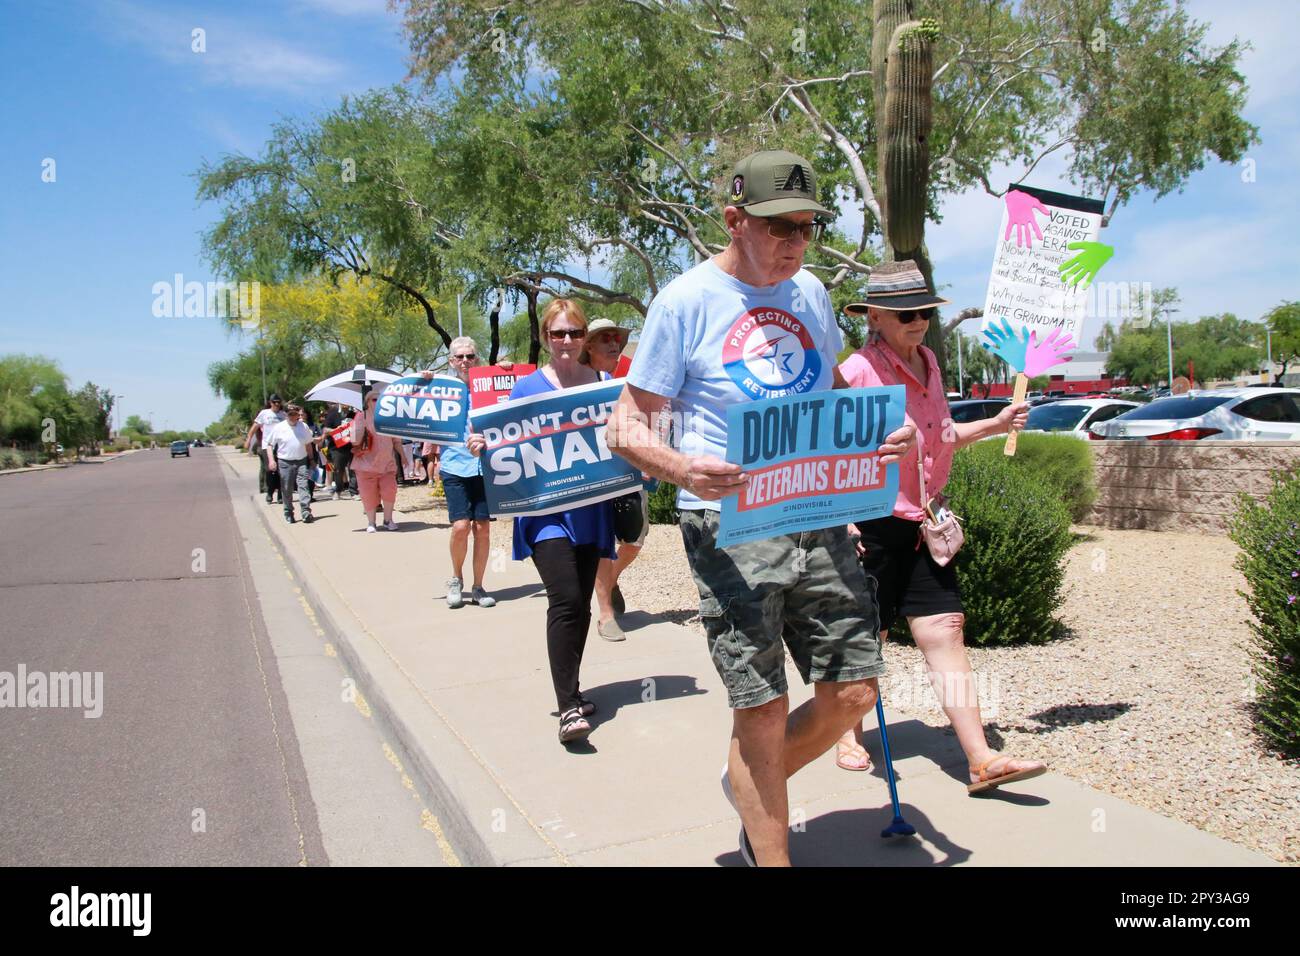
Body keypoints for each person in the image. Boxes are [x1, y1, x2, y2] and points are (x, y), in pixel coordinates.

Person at [606, 149, 916, 866]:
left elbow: (829, 389)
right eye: (780, 229)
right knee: (764, 706)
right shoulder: (685, 302)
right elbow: (624, 425)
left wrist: (874, 430)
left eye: (806, 228)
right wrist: (683, 467)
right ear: (735, 220)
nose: (796, 244)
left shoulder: (807, 293)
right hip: (728, 523)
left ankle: (749, 778)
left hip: (818, 510)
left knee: (853, 694)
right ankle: (767, 845)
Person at [832, 260, 1047, 793]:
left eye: (924, 310)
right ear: (875, 316)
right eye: (905, 312)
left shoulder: (929, 360)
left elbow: (942, 433)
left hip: (927, 519)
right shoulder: (857, 370)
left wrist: (994, 425)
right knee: (868, 636)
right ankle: (845, 734)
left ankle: (980, 760)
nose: (918, 320)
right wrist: (844, 520)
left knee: (945, 629)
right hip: (873, 521)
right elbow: (831, 450)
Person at [468, 300, 616, 745]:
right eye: (558, 334)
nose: (566, 341)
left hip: (592, 508)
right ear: (547, 338)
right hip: (544, 512)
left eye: (574, 333)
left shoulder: (604, 385)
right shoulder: (527, 389)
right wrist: (483, 445)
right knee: (566, 598)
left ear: (584, 337)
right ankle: (568, 708)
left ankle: (572, 688)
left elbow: (623, 435)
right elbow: (503, 439)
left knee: (583, 604)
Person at [421, 337, 498, 610]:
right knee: (460, 527)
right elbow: (413, 401)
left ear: (477, 358)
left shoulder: (487, 386)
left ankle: (478, 586)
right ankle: (456, 578)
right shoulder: (441, 389)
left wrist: (508, 371)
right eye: (460, 357)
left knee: (483, 528)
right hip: (454, 466)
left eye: (470, 356)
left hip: (484, 466)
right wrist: (423, 382)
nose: (465, 361)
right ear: (452, 361)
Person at [580, 318, 644, 642]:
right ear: (588, 345)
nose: (613, 343)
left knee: (633, 540)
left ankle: (612, 579)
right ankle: (606, 613)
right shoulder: (576, 381)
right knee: (602, 543)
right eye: (605, 338)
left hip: (627, 469)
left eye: (616, 337)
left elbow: (649, 414)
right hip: (591, 476)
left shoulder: (631, 375)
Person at [350, 390, 402, 532]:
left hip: (387, 464)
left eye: (381, 399)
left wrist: (403, 456)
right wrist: (359, 427)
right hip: (365, 465)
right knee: (368, 494)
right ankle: (371, 522)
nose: (378, 402)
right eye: (374, 399)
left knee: (389, 490)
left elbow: (396, 440)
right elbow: (354, 442)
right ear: (367, 402)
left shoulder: (388, 417)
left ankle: (388, 520)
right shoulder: (360, 417)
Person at [265, 403, 317, 524]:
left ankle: (306, 511)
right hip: (285, 462)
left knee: (303, 485)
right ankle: (288, 511)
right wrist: (272, 460)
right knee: (287, 488)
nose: (293, 417)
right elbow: (269, 445)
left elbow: (308, 444)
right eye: (291, 414)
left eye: (295, 414)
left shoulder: (303, 426)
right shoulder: (279, 428)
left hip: (301, 461)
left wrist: (312, 459)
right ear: (286, 415)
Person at [246, 394, 285, 504]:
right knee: (269, 470)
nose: (277, 404)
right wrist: (248, 439)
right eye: (274, 402)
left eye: (278, 402)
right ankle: (269, 492)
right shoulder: (264, 414)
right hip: (267, 445)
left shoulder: (283, 415)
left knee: (280, 471)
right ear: (270, 403)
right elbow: (255, 427)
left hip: (281, 446)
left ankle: (280, 494)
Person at [321, 403, 359, 500]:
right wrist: (336, 430)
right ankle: (338, 490)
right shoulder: (333, 413)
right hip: (336, 447)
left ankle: (353, 492)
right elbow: (325, 429)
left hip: (351, 445)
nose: (346, 404)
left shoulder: (354, 414)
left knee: (353, 469)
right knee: (338, 469)